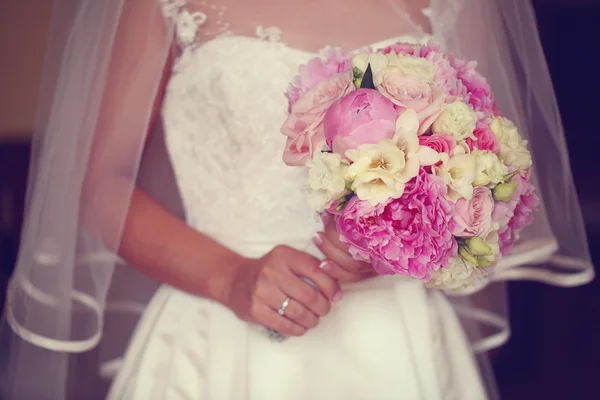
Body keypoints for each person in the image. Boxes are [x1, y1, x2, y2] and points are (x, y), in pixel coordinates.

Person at [0, 0, 594, 399]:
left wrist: (400, 242)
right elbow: (100, 180)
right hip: (219, 330)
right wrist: (229, 276)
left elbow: (484, 176)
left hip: (392, 331)